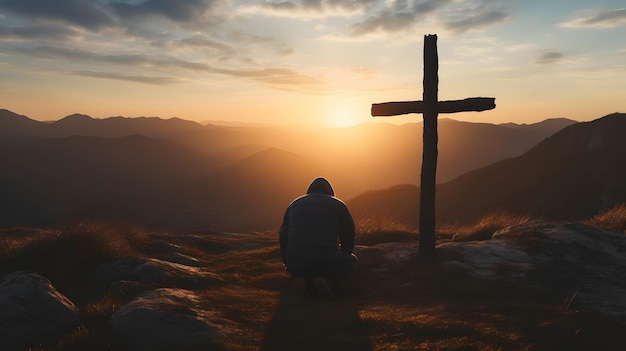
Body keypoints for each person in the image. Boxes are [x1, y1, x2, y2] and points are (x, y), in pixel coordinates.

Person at [279, 177, 357, 298]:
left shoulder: (294, 204)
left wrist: (288, 262)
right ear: (330, 193)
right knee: (351, 261)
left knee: (306, 267)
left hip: (295, 264)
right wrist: (344, 254)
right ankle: (327, 282)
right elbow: (349, 235)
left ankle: (302, 281)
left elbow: (283, 236)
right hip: (327, 262)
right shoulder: (339, 205)